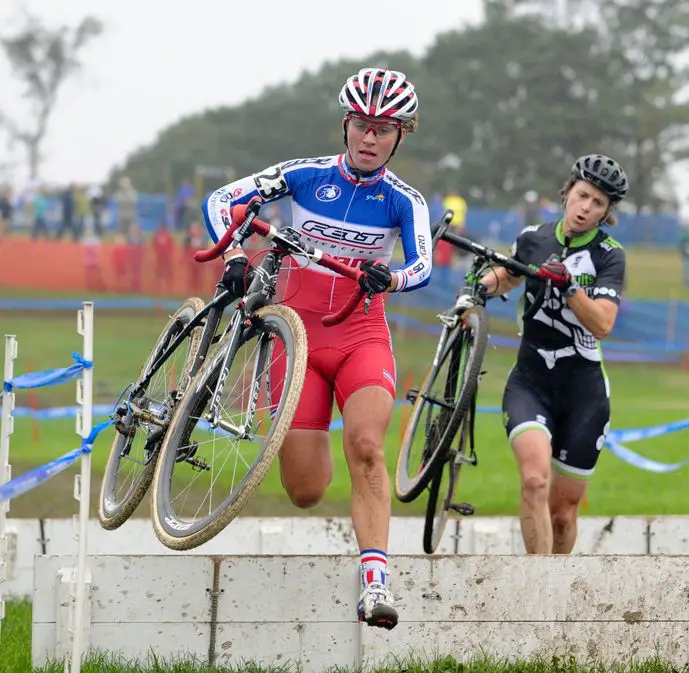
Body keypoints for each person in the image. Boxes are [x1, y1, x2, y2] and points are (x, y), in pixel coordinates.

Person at [201, 67, 433, 630]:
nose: (369, 137)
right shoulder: (303, 175)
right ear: (345, 124)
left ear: (402, 134)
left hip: (361, 337)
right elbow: (221, 200)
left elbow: (421, 263)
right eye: (361, 124)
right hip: (297, 337)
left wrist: (393, 279)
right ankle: (317, 443)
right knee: (304, 490)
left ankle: (375, 582)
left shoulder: (405, 200)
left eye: (383, 128)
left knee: (368, 447)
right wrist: (232, 254)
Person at [470, 154, 628, 555]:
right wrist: (477, 286)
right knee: (534, 481)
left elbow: (603, 324)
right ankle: (536, 590)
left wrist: (571, 288)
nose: (586, 208)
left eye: (597, 204)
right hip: (531, 382)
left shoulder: (610, 254)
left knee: (562, 514)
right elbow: (507, 275)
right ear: (567, 192)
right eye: (582, 196)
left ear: (606, 213)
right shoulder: (534, 238)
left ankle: (558, 598)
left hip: (584, 394)